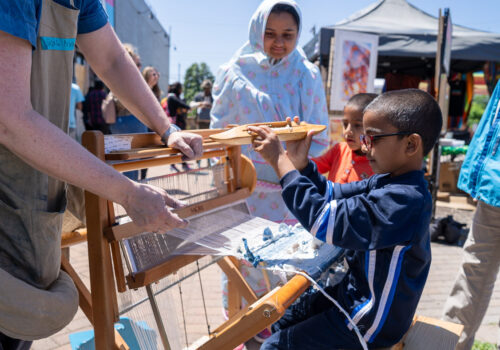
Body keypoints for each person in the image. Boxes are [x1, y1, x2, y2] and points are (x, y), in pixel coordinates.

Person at [0, 1, 202, 348]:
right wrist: (128, 193)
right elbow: (10, 119)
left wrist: (166, 129)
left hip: (25, 191)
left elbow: (110, 58)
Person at [248, 88, 442, 349]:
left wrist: (280, 161)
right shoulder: (389, 183)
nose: (364, 146)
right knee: (285, 320)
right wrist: (299, 164)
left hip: (370, 323)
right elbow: (332, 196)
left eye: (373, 138)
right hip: (355, 298)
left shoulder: (404, 200)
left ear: (411, 144)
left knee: (273, 346)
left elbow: (323, 220)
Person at [210, 1, 329, 343]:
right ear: (256, 31)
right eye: (270, 33)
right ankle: (244, 328)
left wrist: (296, 156)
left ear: (298, 35)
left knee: (288, 264)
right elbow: (220, 130)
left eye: (288, 35)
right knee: (246, 263)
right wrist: (224, 181)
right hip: (245, 190)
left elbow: (317, 134)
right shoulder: (234, 72)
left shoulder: (307, 74)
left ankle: (281, 330)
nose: (279, 42)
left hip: (289, 191)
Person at [442, 80, 500, 350]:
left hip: (493, 181)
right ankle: (451, 343)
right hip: (494, 185)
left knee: (474, 268)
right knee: (473, 268)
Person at [312, 93, 376, 183]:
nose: (348, 131)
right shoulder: (339, 150)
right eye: (345, 124)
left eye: (357, 125)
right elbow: (314, 166)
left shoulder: (377, 164)